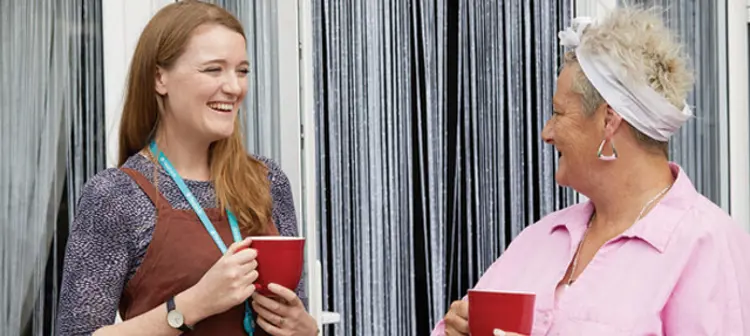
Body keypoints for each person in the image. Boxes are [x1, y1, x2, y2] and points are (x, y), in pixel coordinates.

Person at [433, 6, 750, 336]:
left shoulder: (707, 246)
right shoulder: (541, 239)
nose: (546, 132)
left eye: (558, 113)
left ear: (608, 122)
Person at [56, 1, 318, 335]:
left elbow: (297, 311)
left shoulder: (267, 181)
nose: (235, 87)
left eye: (242, 71)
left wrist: (306, 328)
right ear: (159, 78)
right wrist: (194, 304)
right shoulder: (115, 195)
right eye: (213, 69)